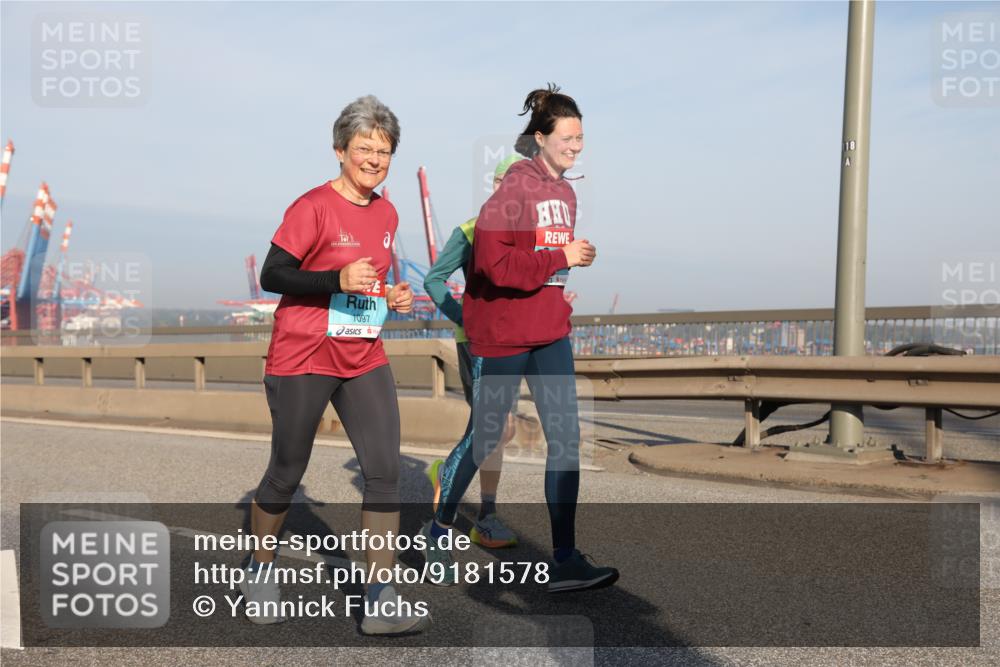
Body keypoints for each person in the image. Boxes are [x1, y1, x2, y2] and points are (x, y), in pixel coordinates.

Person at [241, 94, 429, 635]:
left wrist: (390, 294)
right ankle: (260, 566)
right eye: (364, 148)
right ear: (340, 150)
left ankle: (379, 595)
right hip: (303, 354)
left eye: (385, 150)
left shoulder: (389, 211)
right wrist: (334, 280)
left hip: (363, 354)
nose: (374, 159)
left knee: (385, 470)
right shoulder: (313, 207)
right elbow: (274, 274)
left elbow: (368, 280)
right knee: (287, 470)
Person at [421, 85, 619, 593]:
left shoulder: (567, 193)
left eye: (581, 137)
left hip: (548, 332)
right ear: (541, 138)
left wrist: (566, 269)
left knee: (567, 442)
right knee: (487, 437)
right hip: (502, 336)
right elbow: (494, 265)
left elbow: (545, 265)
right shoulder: (513, 189)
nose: (577, 145)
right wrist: (560, 258)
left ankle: (566, 559)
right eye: (569, 137)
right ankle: (436, 528)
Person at [422, 154, 525, 549]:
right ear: (498, 185)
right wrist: (465, 316)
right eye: (510, 183)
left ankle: (458, 483)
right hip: (478, 343)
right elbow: (433, 280)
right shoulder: (470, 230)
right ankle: (481, 515)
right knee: (495, 427)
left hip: (514, 343)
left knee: (493, 429)